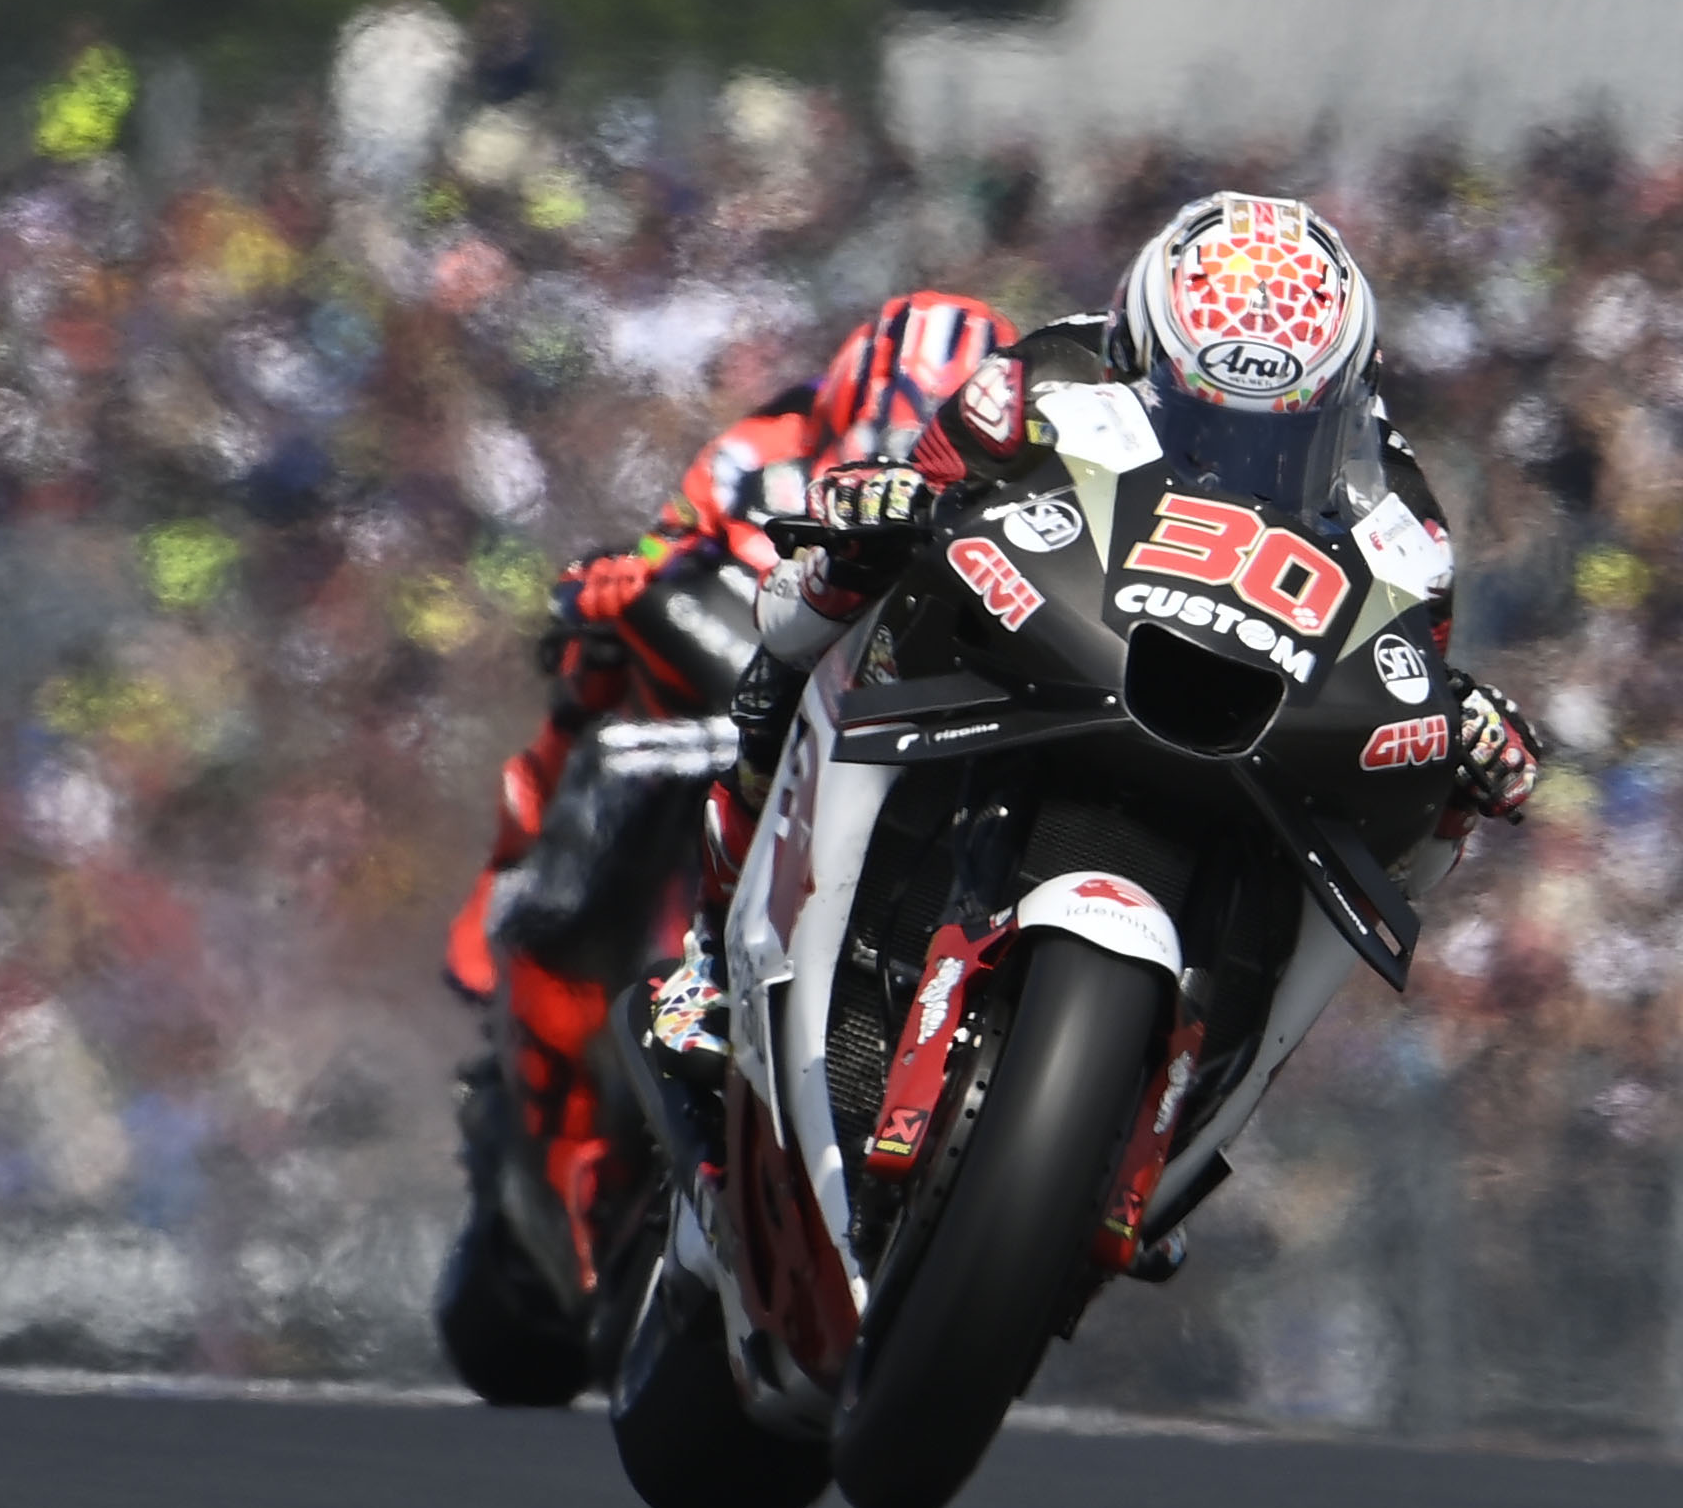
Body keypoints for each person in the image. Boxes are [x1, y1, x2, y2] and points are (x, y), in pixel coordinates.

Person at [645, 191, 1539, 1064]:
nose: (1236, 461)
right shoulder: (1039, 375)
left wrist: (1467, 730)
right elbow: (923, 482)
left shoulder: (1402, 511)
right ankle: (715, 958)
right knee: (820, 594)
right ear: (1140, 355)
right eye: (1203, 426)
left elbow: (1411, 666)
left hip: (1249, 730)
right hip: (1058, 639)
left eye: (1281, 441)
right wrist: (876, 504)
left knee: (1432, 808)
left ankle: (1204, 1093)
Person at [440, 291, 1017, 1266]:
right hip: (727, 708)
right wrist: (626, 583)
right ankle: (517, 884)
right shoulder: (761, 446)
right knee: (597, 697)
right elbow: (670, 550)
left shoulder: (1015, 488)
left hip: (896, 741)